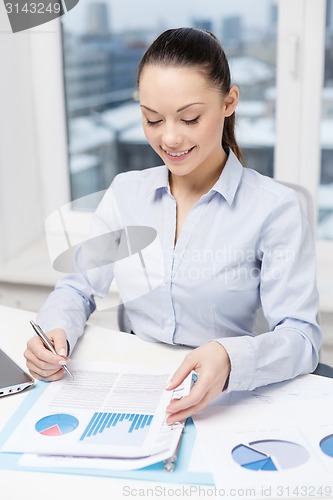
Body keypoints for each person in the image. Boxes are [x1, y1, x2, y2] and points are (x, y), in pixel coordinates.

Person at [24, 27, 322, 425]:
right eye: (152, 119)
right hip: (134, 390)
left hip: (229, 401)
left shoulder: (275, 209)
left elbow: (301, 338)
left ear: (229, 102)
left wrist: (230, 357)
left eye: (190, 118)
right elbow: (79, 287)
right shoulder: (126, 194)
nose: (169, 137)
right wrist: (53, 332)